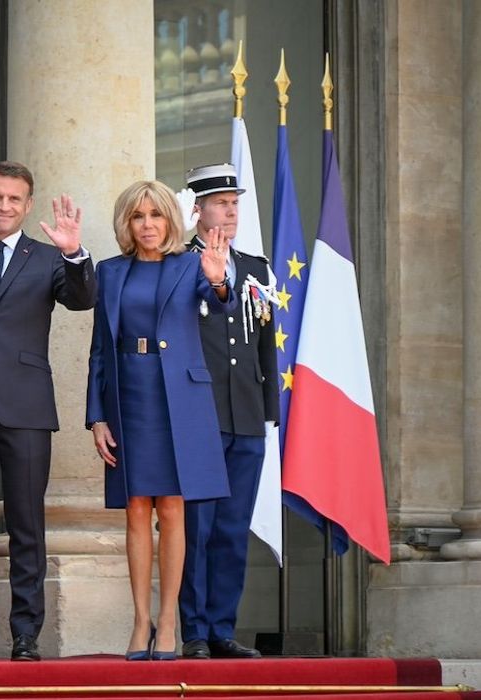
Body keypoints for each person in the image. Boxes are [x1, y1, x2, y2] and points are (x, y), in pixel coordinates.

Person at [0, 161, 96, 662]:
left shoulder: (49, 258)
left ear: (27, 206)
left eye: (14, 199)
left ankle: (26, 634)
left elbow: (82, 299)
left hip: (26, 407)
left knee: (27, 525)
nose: (4, 206)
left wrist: (74, 254)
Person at [86, 180, 233, 661]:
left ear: (170, 220)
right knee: (135, 508)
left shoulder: (190, 265)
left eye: (155, 215)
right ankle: (140, 621)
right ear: (126, 223)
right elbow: (99, 350)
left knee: (172, 508)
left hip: (178, 399)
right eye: (137, 216)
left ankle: (168, 621)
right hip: (129, 396)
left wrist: (218, 280)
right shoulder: (110, 272)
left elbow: (221, 300)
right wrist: (96, 416)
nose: (147, 224)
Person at [179, 163, 279, 660]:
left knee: (233, 530)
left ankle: (222, 628)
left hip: (245, 415)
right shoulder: (179, 264)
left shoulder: (256, 268)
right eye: (221, 203)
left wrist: (268, 410)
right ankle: (194, 631)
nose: (231, 211)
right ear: (198, 209)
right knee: (197, 529)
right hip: (199, 416)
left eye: (235, 203)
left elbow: (264, 344)